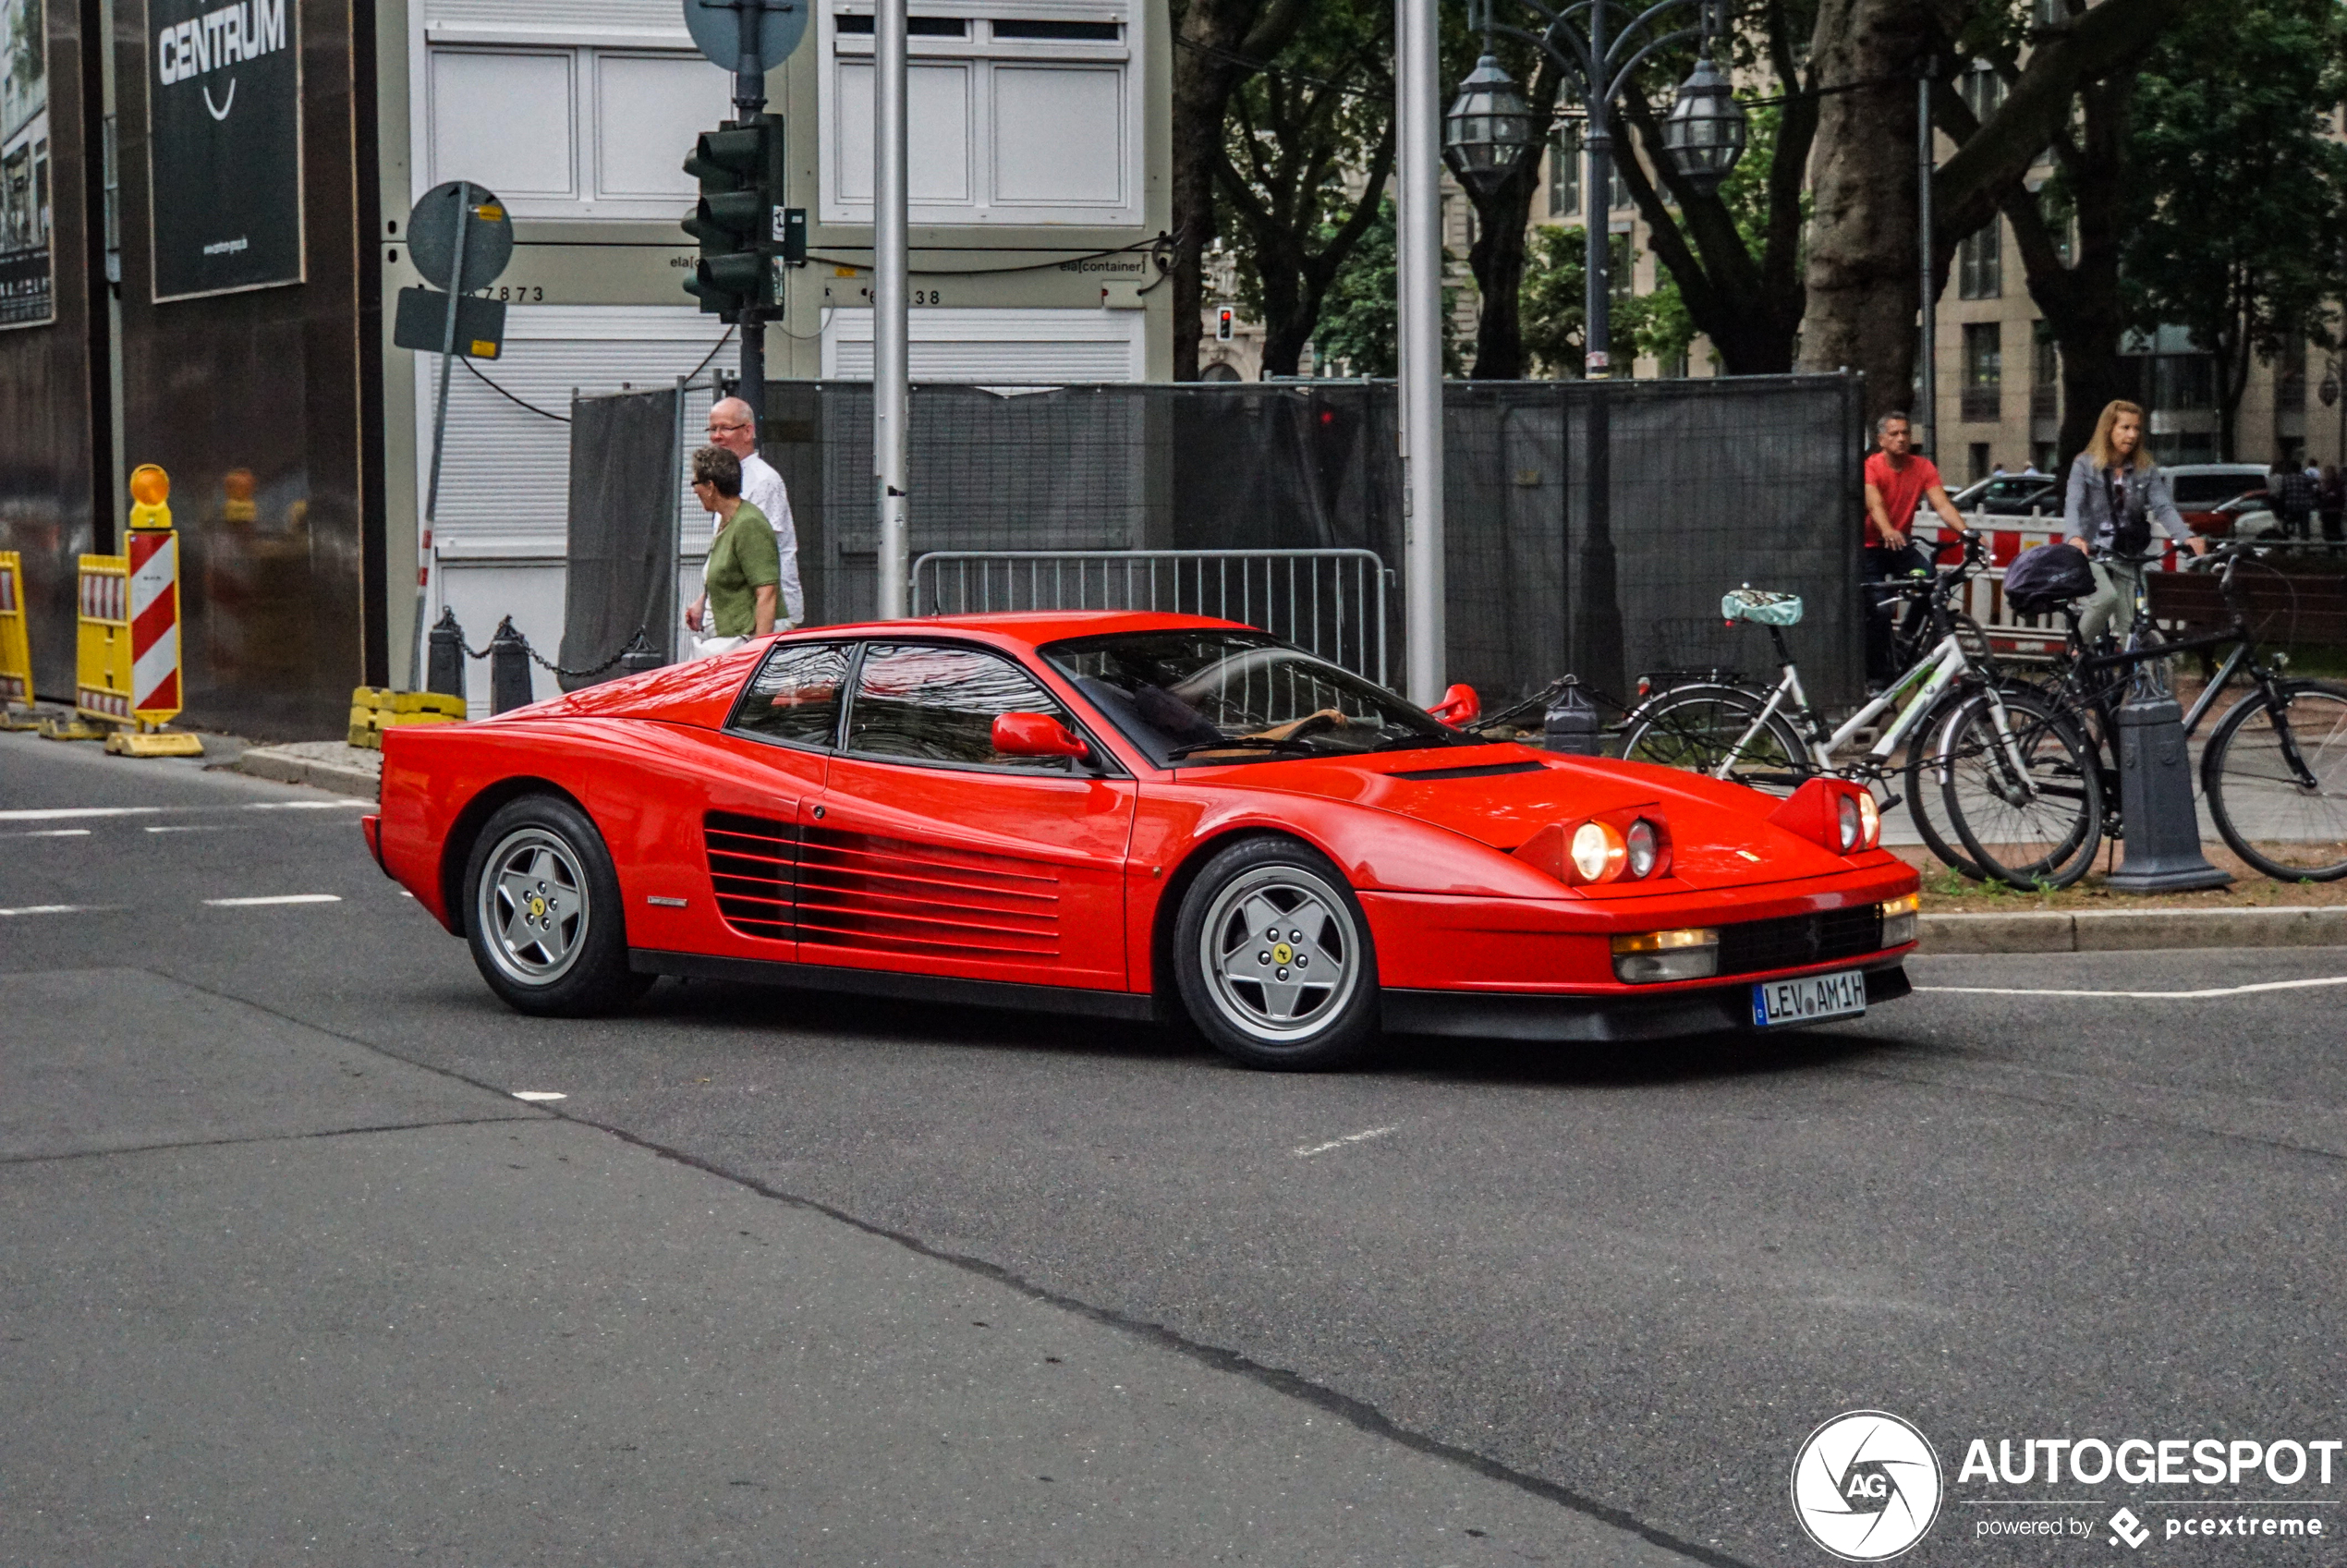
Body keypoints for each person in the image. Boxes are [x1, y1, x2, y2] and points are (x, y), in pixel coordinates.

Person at [2063, 400, 2207, 644]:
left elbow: (2163, 506)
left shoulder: (2145, 468)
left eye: (2137, 429)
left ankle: (2136, 676)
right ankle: (2076, 655)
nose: (2132, 434)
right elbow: (2073, 506)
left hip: (2127, 555)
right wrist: (2074, 537)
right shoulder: (2084, 465)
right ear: (2109, 429)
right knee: (2105, 598)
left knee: (2130, 625)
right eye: (2125, 427)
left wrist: (2186, 536)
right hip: (2091, 552)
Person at [1861, 411, 1965, 686]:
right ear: (1881, 439)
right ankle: (1875, 676)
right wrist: (1887, 529)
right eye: (1894, 434)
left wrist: (1967, 533)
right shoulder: (1871, 466)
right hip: (1870, 547)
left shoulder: (1922, 467)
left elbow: (1942, 504)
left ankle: (1906, 637)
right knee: (1878, 609)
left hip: (1900, 546)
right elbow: (1875, 504)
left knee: (1930, 581)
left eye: (1905, 433)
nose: (1901, 439)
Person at [687, 396, 803, 637]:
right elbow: (727, 555)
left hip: (760, 616)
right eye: (712, 428)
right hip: (734, 613)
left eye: (725, 428)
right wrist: (704, 599)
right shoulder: (727, 481)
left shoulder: (763, 482)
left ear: (748, 431)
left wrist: (758, 647)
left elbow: (762, 567)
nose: (716, 436)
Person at [688, 445, 780, 653]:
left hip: (742, 643)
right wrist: (702, 602)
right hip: (725, 639)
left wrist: (758, 655)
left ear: (710, 486)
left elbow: (767, 592)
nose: (694, 490)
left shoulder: (749, 524)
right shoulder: (726, 520)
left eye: (696, 483)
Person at [2270, 458, 2317, 541]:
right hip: (2304, 506)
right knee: (2304, 527)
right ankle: (2304, 545)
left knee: (2287, 524)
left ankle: (2287, 540)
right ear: (2299, 469)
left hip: (2291, 506)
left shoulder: (2286, 478)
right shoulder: (2304, 477)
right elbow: (2314, 485)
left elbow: (2282, 492)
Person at [2320, 464, 2344, 542]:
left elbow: (2339, 495)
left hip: (2335, 510)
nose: (2327, 474)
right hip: (2325, 510)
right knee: (2327, 530)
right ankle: (2331, 549)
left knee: (2336, 530)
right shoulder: (2323, 483)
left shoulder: (2338, 483)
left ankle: (2339, 547)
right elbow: (2320, 494)